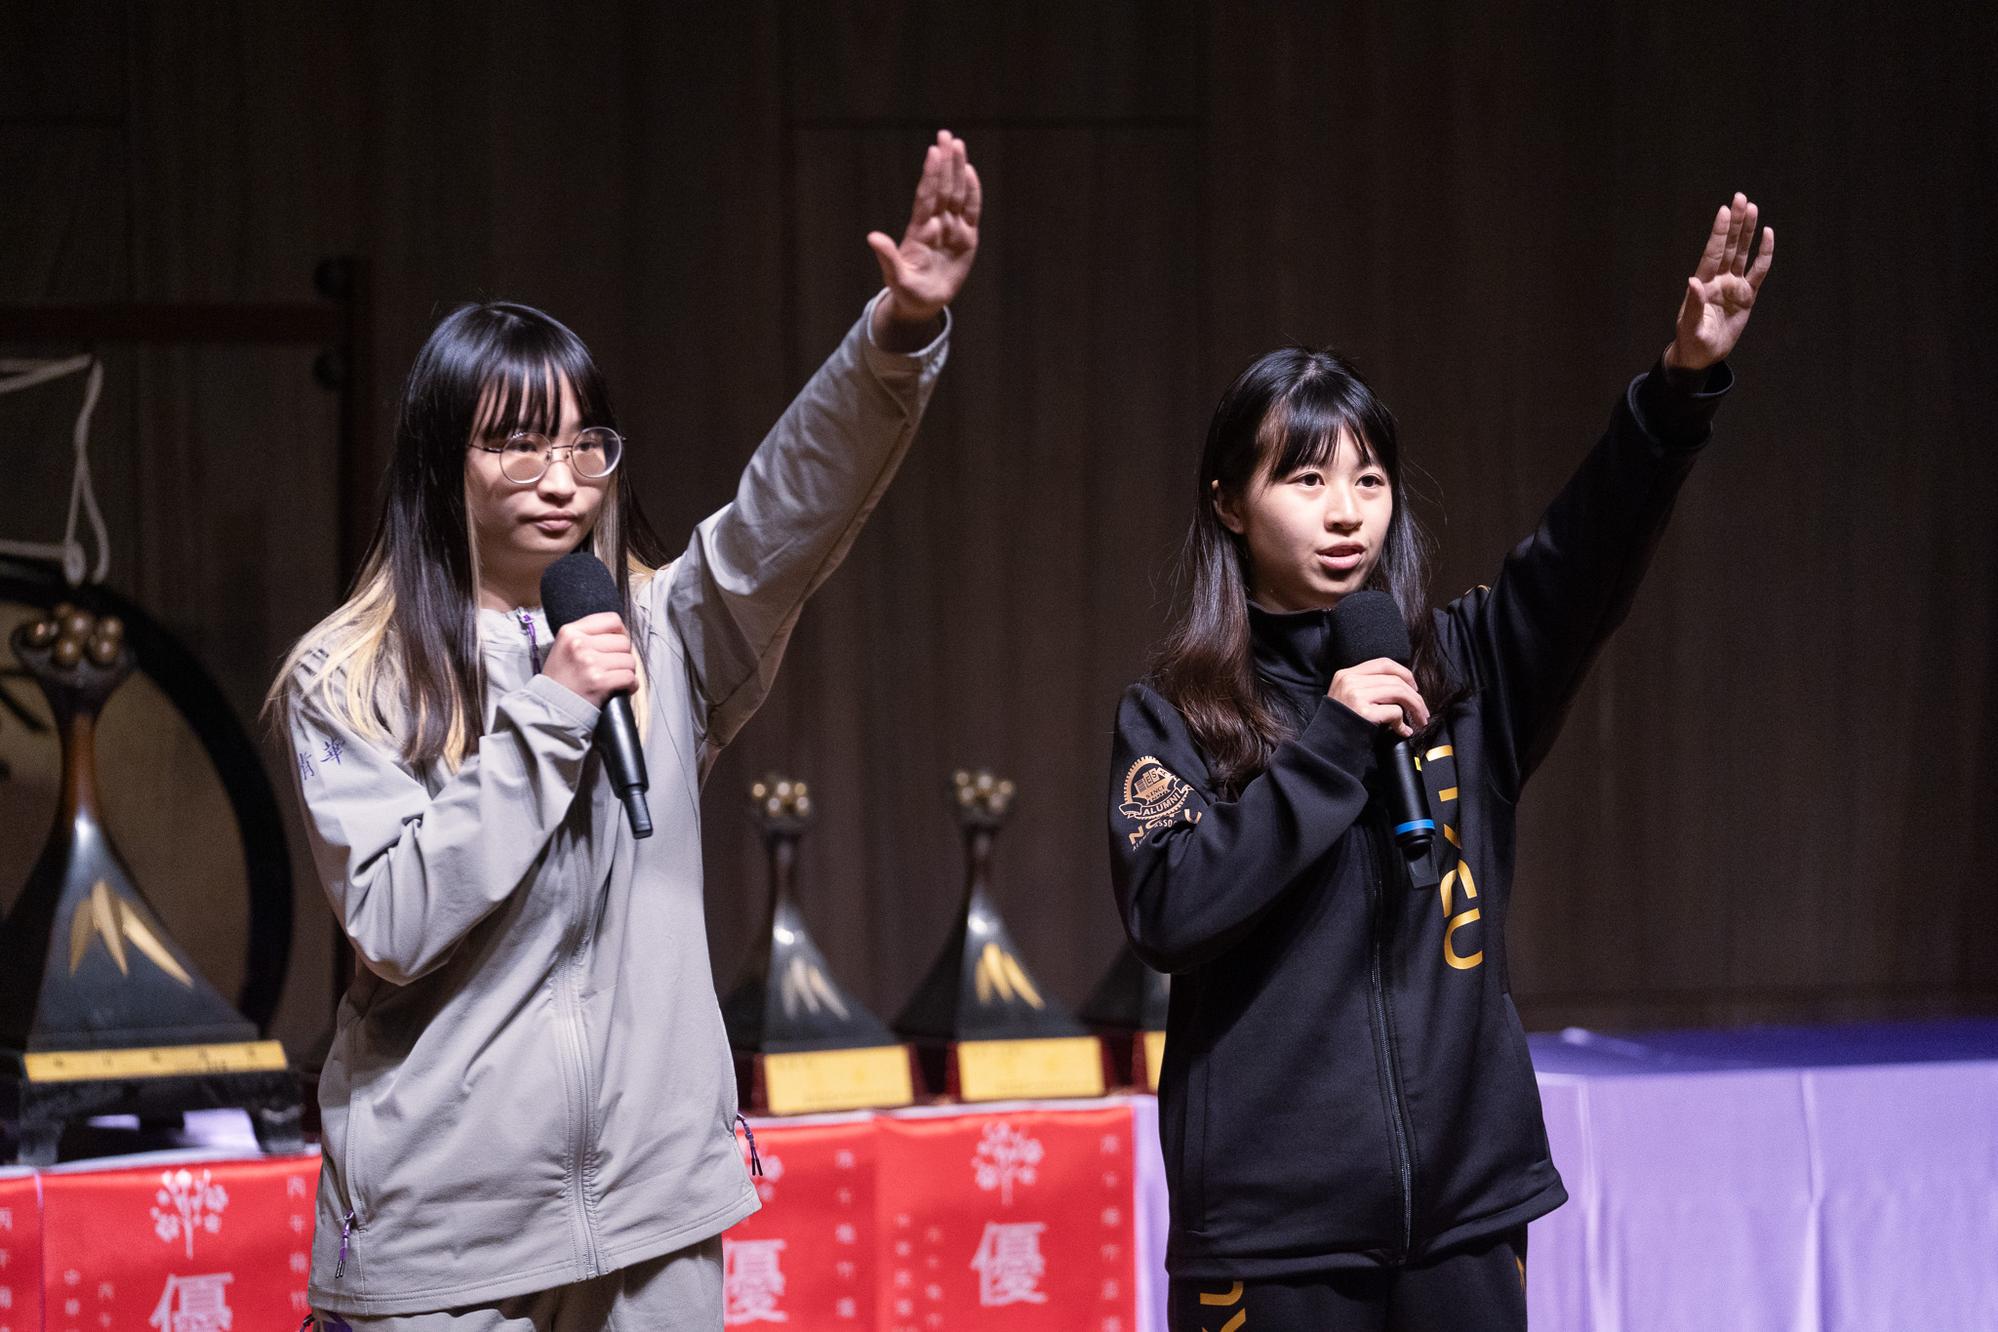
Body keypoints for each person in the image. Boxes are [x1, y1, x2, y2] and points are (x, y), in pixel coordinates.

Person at [270, 131, 981, 1331]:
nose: (563, 477)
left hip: (654, 1221)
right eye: (518, 442)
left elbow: (783, 517)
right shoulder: (349, 673)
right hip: (448, 1235)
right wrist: (549, 713)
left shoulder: (657, 631)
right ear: (445, 459)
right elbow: (393, 922)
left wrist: (894, 340)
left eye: (585, 443)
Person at [1108, 196, 1773, 1330]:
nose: (1345, 514)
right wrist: (1330, 746)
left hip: (1464, 1213)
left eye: (1368, 481)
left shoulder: (1459, 669)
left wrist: (1679, 386)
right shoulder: (1178, 714)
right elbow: (1171, 910)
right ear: (1229, 501)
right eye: (1304, 480)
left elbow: (1587, 553)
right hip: (1273, 1233)